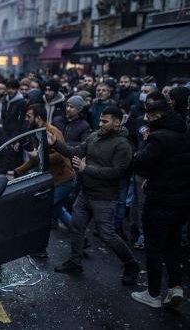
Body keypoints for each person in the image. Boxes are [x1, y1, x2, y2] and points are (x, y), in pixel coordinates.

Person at [50, 106, 140, 285]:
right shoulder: (94, 136)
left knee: (107, 235)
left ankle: (131, 264)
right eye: (100, 120)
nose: (100, 124)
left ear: (117, 122)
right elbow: (75, 152)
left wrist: (86, 168)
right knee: (76, 227)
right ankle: (75, 261)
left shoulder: (123, 145)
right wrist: (55, 144)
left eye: (105, 121)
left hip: (104, 197)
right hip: (86, 193)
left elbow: (117, 172)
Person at [130, 100, 190, 309]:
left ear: (157, 117)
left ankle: (153, 293)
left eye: (150, 117)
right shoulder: (185, 133)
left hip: (159, 200)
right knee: (172, 244)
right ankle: (175, 287)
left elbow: (139, 162)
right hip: (182, 202)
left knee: (154, 246)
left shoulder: (158, 138)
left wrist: (146, 142)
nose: (148, 120)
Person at [14, 104, 75, 230]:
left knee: (43, 206)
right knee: (58, 210)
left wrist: (37, 158)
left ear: (38, 118)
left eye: (29, 116)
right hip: (55, 179)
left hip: (64, 179)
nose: (26, 119)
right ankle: (81, 237)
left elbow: (59, 156)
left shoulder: (52, 131)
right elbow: (36, 158)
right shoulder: (37, 133)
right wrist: (19, 170)